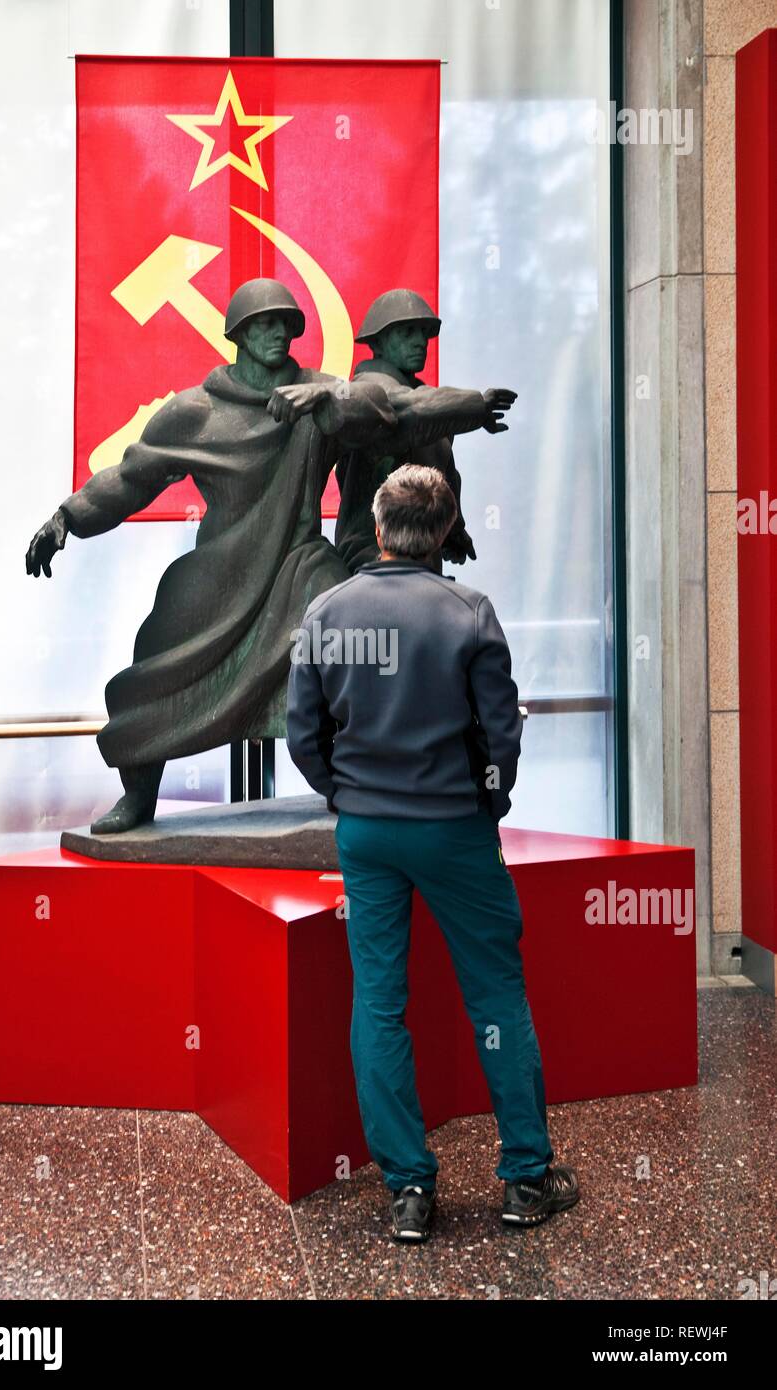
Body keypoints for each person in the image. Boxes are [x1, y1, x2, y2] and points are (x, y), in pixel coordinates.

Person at [286, 463, 579, 1242]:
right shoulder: (469, 611)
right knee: (495, 998)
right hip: (455, 829)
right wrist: (487, 802)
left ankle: (408, 1190)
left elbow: (302, 735)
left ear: (377, 529)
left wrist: (344, 795)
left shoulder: (326, 611)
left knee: (379, 1002)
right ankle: (524, 1180)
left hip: (368, 833)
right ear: (445, 532)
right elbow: (501, 735)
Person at [25, 278, 398, 833]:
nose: (278, 333)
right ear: (240, 334)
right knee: (154, 664)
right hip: (221, 568)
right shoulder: (194, 413)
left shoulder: (317, 394)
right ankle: (139, 794)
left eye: (286, 324)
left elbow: (381, 408)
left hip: (300, 563)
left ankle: (348, 781)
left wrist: (328, 397)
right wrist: (69, 517)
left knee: (354, 644)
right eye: (264, 324)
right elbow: (132, 478)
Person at [334, 288, 517, 574]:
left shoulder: (435, 405)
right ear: (378, 343)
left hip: (423, 563)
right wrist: (476, 406)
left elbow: (446, 477)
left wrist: (455, 530)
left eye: (424, 333)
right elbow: (407, 411)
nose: (420, 342)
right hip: (372, 562)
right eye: (407, 332)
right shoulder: (365, 392)